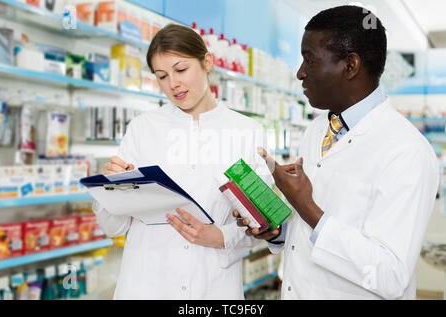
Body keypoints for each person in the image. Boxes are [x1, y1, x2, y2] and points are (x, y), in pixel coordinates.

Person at [235, 5, 439, 299]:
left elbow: (390, 275)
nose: (300, 73)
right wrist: (277, 230)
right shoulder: (317, 131)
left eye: (310, 61)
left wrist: (307, 208)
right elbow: (311, 233)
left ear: (350, 65)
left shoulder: (406, 151)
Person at [94, 24, 269, 299]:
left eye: (181, 70)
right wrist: (112, 187)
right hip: (145, 284)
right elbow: (111, 227)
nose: (172, 84)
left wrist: (221, 237)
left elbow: (264, 220)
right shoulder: (143, 128)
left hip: (213, 285)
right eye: (162, 76)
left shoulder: (247, 132)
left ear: (207, 61)